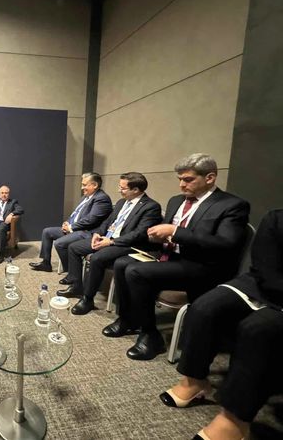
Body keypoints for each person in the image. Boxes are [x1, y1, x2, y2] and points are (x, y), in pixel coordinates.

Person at [102, 154, 250, 361]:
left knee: (136, 272)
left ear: (210, 178)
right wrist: (155, 236)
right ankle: (127, 319)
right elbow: (166, 236)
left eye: (188, 179)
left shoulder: (231, 204)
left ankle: (150, 335)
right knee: (121, 263)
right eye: (180, 179)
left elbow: (226, 244)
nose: (182, 185)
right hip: (170, 256)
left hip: (202, 265)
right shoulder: (176, 201)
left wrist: (176, 231)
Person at [160, 209, 283, 440]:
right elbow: (264, 264)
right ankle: (194, 381)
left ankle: (235, 420)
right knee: (204, 308)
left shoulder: (231, 206)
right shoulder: (277, 218)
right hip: (263, 282)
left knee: (258, 329)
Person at [56, 172, 162, 315]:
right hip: (107, 238)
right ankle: (77, 286)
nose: (119, 190)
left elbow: (139, 234)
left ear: (136, 190)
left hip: (126, 244)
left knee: (97, 258)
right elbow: (107, 222)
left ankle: (88, 299)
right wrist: (97, 234)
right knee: (74, 247)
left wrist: (111, 242)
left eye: (123, 188)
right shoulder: (121, 203)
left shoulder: (151, 207)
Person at [30, 172, 112, 272]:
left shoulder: (102, 198)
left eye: (84, 185)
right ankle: (46, 263)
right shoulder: (85, 197)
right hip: (75, 229)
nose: (82, 188)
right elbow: (75, 213)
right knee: (47, 232)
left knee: (59, 243)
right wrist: (67, 223)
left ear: (95, 185)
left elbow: (91, 219)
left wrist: (71, 227)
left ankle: (72, 271)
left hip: (86, 232)